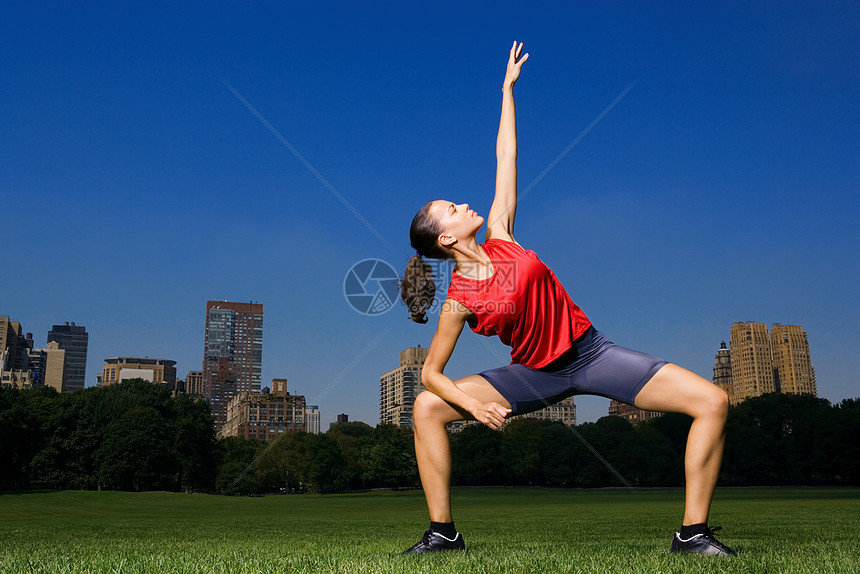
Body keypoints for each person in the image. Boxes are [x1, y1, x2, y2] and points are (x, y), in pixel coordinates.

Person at [399, 41, 736, 558]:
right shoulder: (458, 300)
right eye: (452, 207)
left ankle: (692, 535)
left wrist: (506, 91)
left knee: (713, 401)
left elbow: (506, 154)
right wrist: (472, 406)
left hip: (592, 355)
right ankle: (443, 533)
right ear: (445, 238)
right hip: (532, 374)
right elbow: (431, 373)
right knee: (426, 408)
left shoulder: (504, 234)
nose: (465, 203)